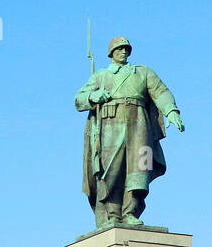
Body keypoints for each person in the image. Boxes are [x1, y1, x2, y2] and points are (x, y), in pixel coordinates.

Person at [75, 37, 184, 229]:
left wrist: (172, 111)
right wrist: (93, 96)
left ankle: (130, 212)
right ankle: (113, 215)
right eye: (119, 49)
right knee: (111, 170)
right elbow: (79, 99)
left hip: (140, 124)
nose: (123, 52)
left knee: (140, 167)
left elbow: (161, 92)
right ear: (111, 53)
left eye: (126, 49)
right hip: (111, 124)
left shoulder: (143, 73)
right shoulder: (101, 76)